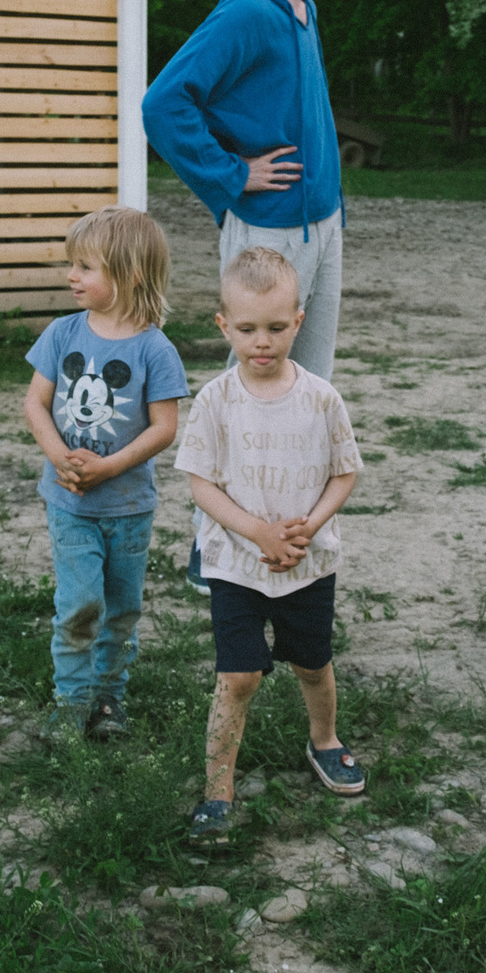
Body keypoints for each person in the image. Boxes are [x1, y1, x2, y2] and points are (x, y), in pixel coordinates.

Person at [145, 0, 350, 593]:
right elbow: (164, 104)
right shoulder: (247, 11)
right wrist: (232, 176)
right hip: (268, 232)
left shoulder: (303, 11)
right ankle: (216, 548)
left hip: (321, 230)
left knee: (307, 392)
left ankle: (289, 543)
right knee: (249, 391)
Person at [176, 246, 368, 848]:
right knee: (238, 677)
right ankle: (217, 791)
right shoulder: (215, 401)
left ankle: (325, 741)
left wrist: (308, 524)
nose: (263, 342)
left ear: (300, 321)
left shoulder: (320, 398)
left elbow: (345, 472)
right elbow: (200, 482)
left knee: (312, 663)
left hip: (307, 564)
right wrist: (256, 531)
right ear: (224, 325)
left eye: (277, 328)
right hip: (236, 563)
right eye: (248, 329)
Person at [20, 206, 188, 741]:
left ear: (129, 274)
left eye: (86, 266)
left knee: (120, 610)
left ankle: (110, 700)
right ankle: (71, 703)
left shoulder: (154, 349)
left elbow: (165, 427)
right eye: (73, 264)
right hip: (70, 503)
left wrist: (110, 465)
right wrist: (59, 458)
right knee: (79, 606)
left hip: (129, 508)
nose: (72, 275)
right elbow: (34, 405)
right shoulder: (63, 332)